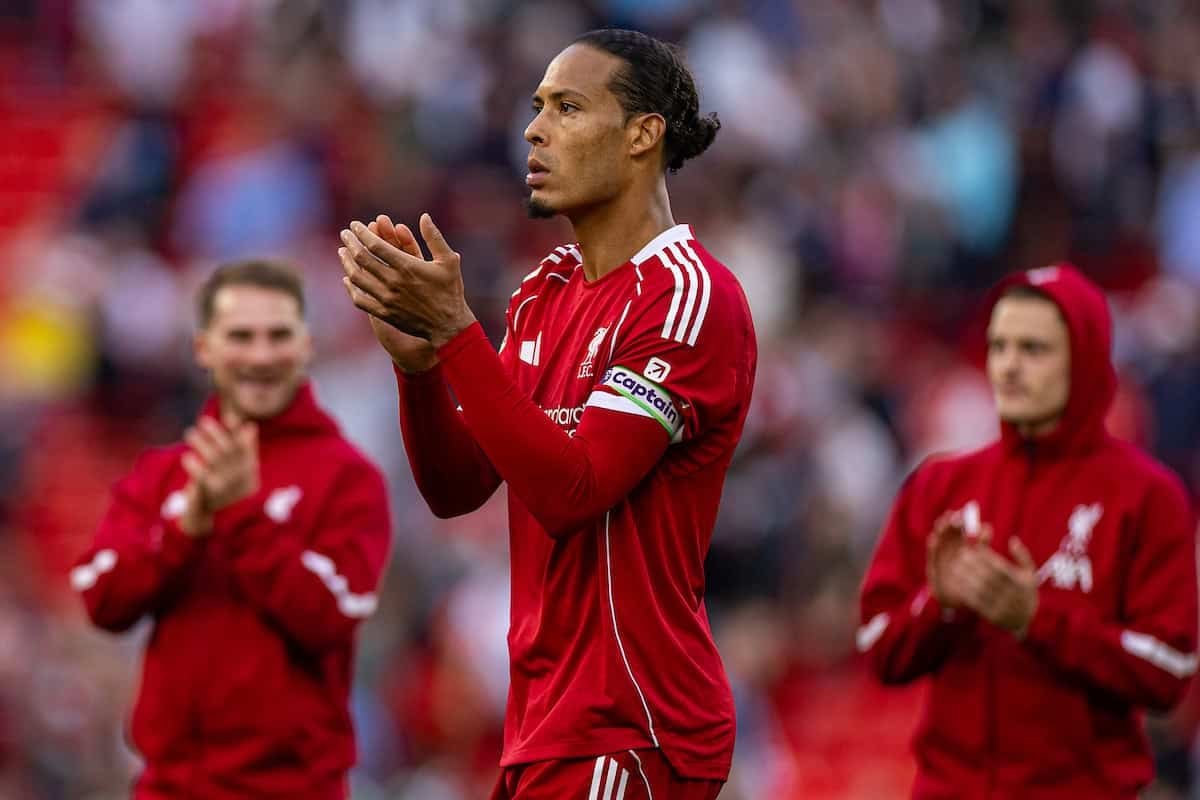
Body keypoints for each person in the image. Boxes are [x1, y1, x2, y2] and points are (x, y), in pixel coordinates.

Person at [338, 28, 755, 800]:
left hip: (629, 722)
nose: (533, 130)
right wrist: (420, 369)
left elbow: (574, 491)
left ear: (642, 135)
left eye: (567, 107)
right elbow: (458, 487)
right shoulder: (544, 293)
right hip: (544, 724)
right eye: (535, 107)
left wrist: (458, 332)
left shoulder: (688, 296)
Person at [858, 263, 1199, 798]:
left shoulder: (1149, 496)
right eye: (998, 347)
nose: (1008, 367)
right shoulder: (939, 484)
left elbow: (1170, 670)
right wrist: (939, 605)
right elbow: (878, 649)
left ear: (1085, 358)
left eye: (1033, 349)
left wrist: (1036, 621)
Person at [71, 260, 391, 799]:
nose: (261, 356)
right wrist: (185, 528)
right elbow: (101, 599)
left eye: (278, 336)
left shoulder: (348, 477)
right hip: (168, 787)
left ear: (306, 346)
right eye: (241, 336)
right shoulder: (164, 473)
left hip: (295, 789)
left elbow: (331, 618)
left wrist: (242, 515)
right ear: (205, 348)